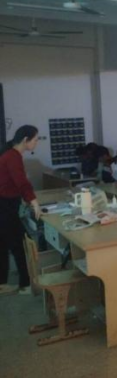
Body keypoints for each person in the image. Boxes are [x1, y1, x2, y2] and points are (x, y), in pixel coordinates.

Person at [0, 125, 40, 296]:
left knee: (3, 244)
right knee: (22, 244)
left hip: (5, 204)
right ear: (25, 140)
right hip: (5, 206)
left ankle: (2, 284)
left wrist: (26, 199)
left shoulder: (10, 154)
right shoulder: (13, 156)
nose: (36, 143)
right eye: (35, 140)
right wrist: (34, 202)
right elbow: (21, 182)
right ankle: (25, 285)